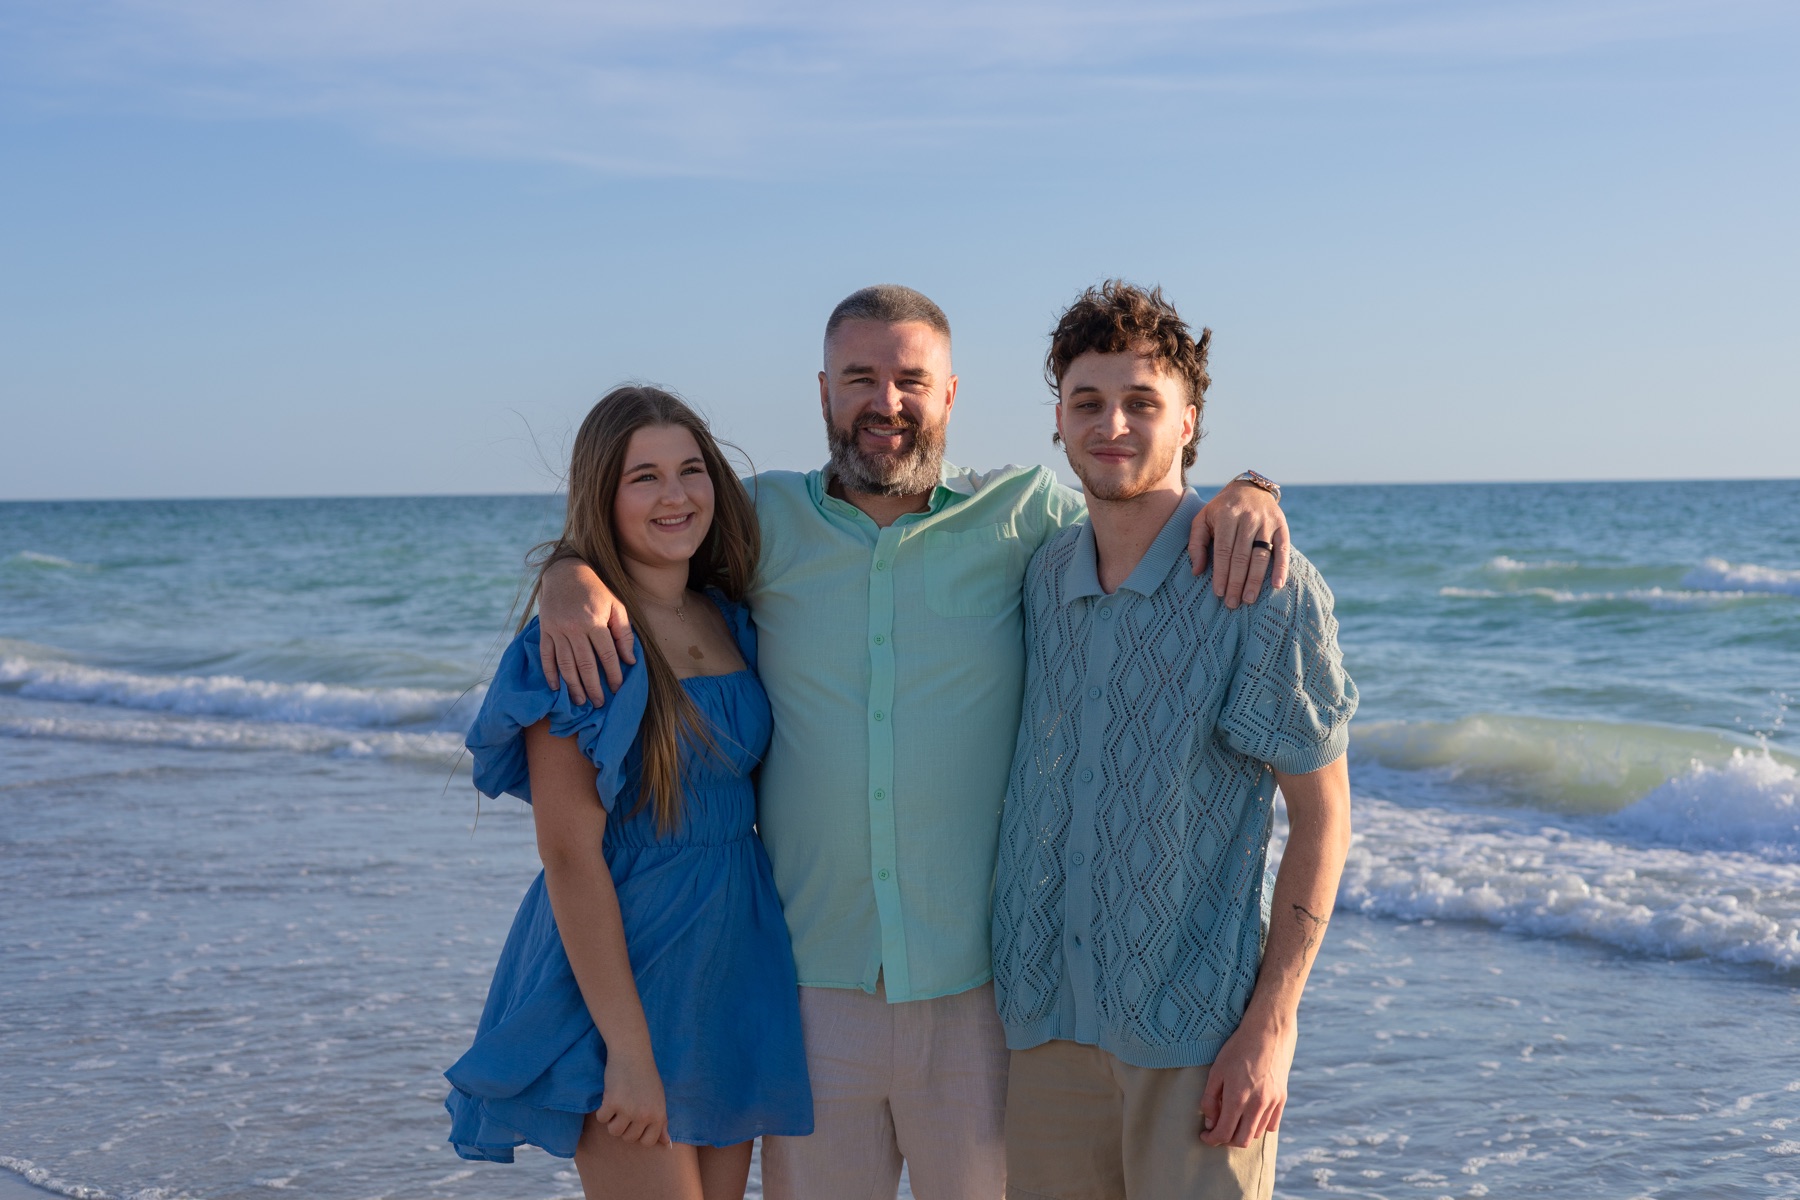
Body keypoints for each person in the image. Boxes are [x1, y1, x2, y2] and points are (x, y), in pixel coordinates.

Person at [535, 285, 1292, 1200]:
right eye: (860, 378)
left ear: (950, 396)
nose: (884, 403)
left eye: (910, 380)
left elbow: (1143, 498)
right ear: (823, 392)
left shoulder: (1026, 520)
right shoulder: (759, 521)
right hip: (809, 991)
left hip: (979, 998)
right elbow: (646, 535)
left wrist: (1252, 488)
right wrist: (565, 574)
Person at [991, 282, 1355, 1200]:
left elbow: (1323, 818)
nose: (1112, 424)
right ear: (1058, 424)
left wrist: (1272, 1029)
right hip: (1044, 1034)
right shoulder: (1041, 577)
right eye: (1087, 403)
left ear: (1190, 422)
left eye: (1143, 403)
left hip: (1197, 1042)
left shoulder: (1261, 583)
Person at [444, 386, 812, 1200]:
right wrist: (629, 1051)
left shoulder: (730, 614)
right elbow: (569, 854)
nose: (675, 495)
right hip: (624, 965)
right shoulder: (580, 642)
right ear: (603, 496)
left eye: (690, 469)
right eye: (644, 477)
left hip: (730, 955)